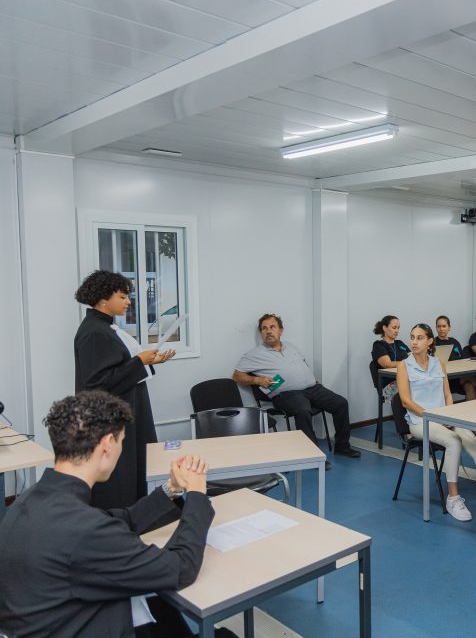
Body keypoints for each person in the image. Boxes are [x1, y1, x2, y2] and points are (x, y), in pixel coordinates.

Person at [0, 391, 215, 638]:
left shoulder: (33, 498)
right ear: (107, 445)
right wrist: (197, 492)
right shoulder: (85, 531)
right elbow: (182, 568)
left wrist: (172, 488)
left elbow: (118, 520)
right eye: (121, 440)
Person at [74, 270, 176, 509]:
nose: (128, 301)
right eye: (122, 296)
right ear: (103, 299)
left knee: (135, 468)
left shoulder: (106, 328)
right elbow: (97, 382)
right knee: (119, 477)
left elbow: (118, 367)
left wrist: (147, 361)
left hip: (127, 408)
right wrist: (140, 361)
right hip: (111, 417)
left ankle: (139, 513)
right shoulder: (94, 333)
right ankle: (121, 521)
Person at [397, 323, 476, 525]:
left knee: (475, 443)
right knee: (454, 442)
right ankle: (453, 498)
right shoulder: (404, 366)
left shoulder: (438, 364)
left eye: (419, 338)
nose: (414, 342)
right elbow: (405, 401)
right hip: (420, 421)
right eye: (412, 337)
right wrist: (435, 418)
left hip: (444, 418)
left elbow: (447, 395)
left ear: (429, 341)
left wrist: (448, 415)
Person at [233, 314, 360, 460]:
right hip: (286, 394)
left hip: (313, 388)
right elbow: (237, 375)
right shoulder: (254, 354)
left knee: (341, 403)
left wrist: (312, 381)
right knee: (302, 410)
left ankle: (342, 446)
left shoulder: (291, 346)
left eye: (272, 327)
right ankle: (313, 455)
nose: (268, 331)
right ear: (261, 333)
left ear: (281, 330)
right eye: (264, 328)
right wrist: (258, 379)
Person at [435, 315, 476, 400]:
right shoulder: (432, 343)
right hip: (441, 379)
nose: (441, 329)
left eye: (444, 326)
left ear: (449, 327)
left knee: (470, 386)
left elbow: (462, 360)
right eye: (439, 326)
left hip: (458, 378)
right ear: (436, 328)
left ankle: (470, 412)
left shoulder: (455, 342)